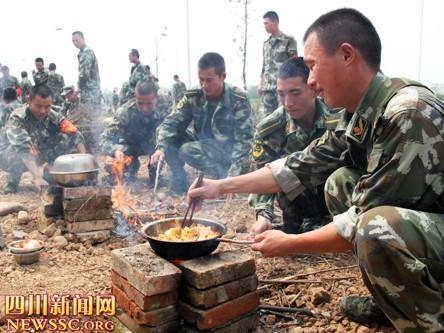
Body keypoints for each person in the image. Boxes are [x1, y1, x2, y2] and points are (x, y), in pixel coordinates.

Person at [188, 8, 444, 332]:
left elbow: (358, 222)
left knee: (375, 228)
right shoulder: (358, 112)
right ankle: (396, 297)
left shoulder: (407, 113)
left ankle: (430, 317)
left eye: (312, 67)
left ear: (347, 55)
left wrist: (290, 243)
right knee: (340, 184)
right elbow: (298, 166)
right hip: (430, 221)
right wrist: (219, 187)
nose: (310, 81)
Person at [250, 57, 337, 236]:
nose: (288, 102)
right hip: (297, 203)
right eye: (281, 94)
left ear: (313, 89)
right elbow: (262, 176)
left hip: (335, 196)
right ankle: (306, 223)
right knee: (281, 173)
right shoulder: (270, 129)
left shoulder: (338, 116)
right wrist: (263, 216)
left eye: (295, 93)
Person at [152, 52, 253, 194]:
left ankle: (221, 178)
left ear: (223, 76)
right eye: (201, 80)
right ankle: (179, 180)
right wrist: (161, 148)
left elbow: (244, 141)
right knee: (166, 134)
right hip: (203, 144)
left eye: (209, 80)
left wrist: (231, 180)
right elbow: (171, 122)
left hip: (228, 151)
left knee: (187, 150)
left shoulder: (238, 99)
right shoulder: (194, 95)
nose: (204, 85)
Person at [0, 85, 85, 194]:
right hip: (7, 156)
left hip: (35, 150)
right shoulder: (17, 118)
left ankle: (50, 175)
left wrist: (84, 159)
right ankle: (13, 182)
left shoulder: (51, 114)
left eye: (47, 107)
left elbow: (74, 133)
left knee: (64, 139)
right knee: (17, 150)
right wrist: (37, 177)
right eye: (38, 106)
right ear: (28, 100)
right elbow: (23, 148)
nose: (43, 111)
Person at [101, 80, 171, 184]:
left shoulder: (165, 107)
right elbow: (103, 139)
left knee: (172, 144)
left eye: (149, 103)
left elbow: (173, 131)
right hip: (131, 147)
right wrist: (115, 151)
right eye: (140, 103)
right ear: (135, 97)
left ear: (156, 99)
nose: (144, 108)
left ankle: (156, 173)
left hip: (155, 145)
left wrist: (162, 149)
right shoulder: (125, 112)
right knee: (124, 178)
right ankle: (130, 169)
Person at [259, 11, 297, 116]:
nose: (265, 26)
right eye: (264, 24)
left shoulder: (289, 40)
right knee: (266, 118)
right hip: (267, 87)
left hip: (282, 87)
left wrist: (292, 84)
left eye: (266, 23)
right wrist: (260, 83)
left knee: (283, 115)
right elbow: (264, 65)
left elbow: (294, 63)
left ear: (275, 22)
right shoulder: (266, 44)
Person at [72, 31, 102, 107]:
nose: (75, 43)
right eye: (73, 41)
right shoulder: (82, 52)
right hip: (90, 90)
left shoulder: (86, 52)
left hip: (90, 91)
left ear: (83, 39)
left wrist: (78, 89)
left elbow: (84, 74)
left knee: (89, 115)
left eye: (77, 40)